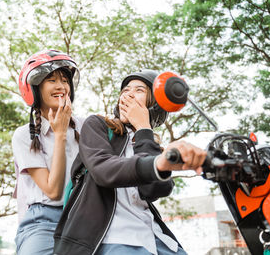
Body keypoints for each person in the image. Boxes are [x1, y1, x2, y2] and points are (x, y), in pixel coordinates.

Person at [53, 69, 206, 255]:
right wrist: (156, 164)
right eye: (125, 90)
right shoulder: (97, 125)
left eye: (139, 90)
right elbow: (103, 170)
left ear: (154, 106)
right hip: (112, 238)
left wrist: (143, 129)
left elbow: (155, 190)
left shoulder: (149, 144)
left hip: (156, 239)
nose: (129, 94)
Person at [12, 49, 83, 255]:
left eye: (64, 80)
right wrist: (60, 135)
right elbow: (53, 191)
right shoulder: (25, 135)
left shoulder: (86, 127)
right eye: (51, 80)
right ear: (35, 89)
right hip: (43, 221)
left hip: (82, 218)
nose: (61, 86)